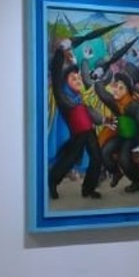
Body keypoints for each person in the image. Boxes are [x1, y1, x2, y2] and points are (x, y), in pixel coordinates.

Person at [47, 41, 104, 200]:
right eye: (74, 78)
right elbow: (56, 75)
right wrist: (60, 52)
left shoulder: (79, 96)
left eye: (78, 77)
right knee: (68, 160)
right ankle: (52, 181)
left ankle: (88, 189)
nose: (78, 80)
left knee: (97, 158)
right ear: (65, 82)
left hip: (88, 131)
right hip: (78, 134)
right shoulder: (63, 96)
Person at [97, 72, 139, 192]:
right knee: (105, 151)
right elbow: (102, 94)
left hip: (133, 138)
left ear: (128, 91)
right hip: (121, 136)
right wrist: (98, 79)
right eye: (116, 86)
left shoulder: (134, 106)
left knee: (124, 160)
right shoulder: (116, 103)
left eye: (121, 88)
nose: (116, 90)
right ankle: (116, 172)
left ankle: (136, 182)